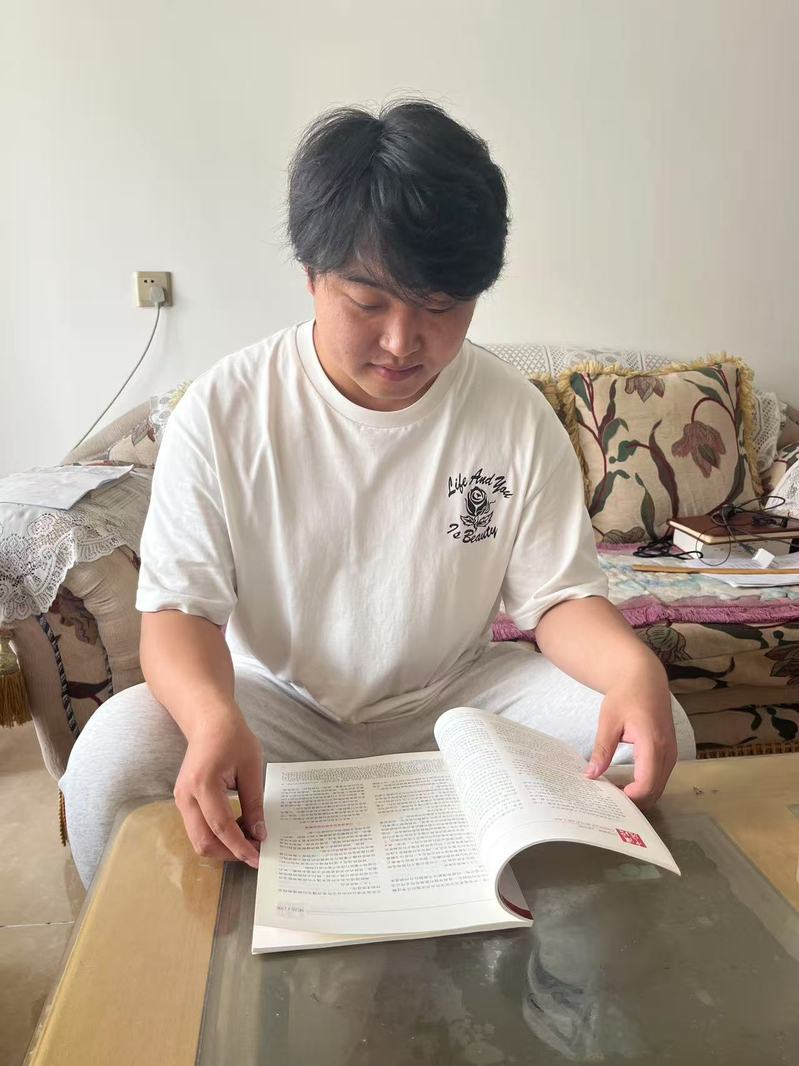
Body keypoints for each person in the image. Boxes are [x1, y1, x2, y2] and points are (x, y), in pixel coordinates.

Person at [60, 98, 695, 887]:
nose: (401, 341)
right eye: (367, 302)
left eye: (440, 307)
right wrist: (212, 714)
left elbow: (558, 598)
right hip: (274, 702)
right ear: (311, 276)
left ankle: (558, 950)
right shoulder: (225, 412)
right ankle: (160, 955)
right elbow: (178, 613)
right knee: (113, 760)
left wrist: (630, 667)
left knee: (654, 728)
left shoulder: (512, 414)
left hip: (459, 695)